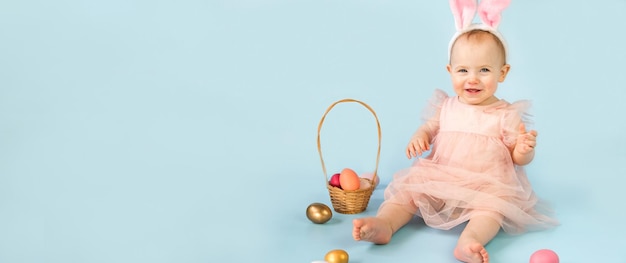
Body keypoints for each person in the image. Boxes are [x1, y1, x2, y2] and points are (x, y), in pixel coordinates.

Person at [351, 1, 558, 262]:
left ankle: (469, 241)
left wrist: (524, 149)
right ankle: (385, 224)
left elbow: (518, 159)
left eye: (484, 70)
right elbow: (430, 127)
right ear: (450, 72)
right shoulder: (446, 105)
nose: (472, 78)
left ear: (502, 73)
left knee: (491, 210)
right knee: (410, 192)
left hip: (486, 184)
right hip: (442, 176)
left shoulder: (505, 114)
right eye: (463, 70)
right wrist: (420, 136)